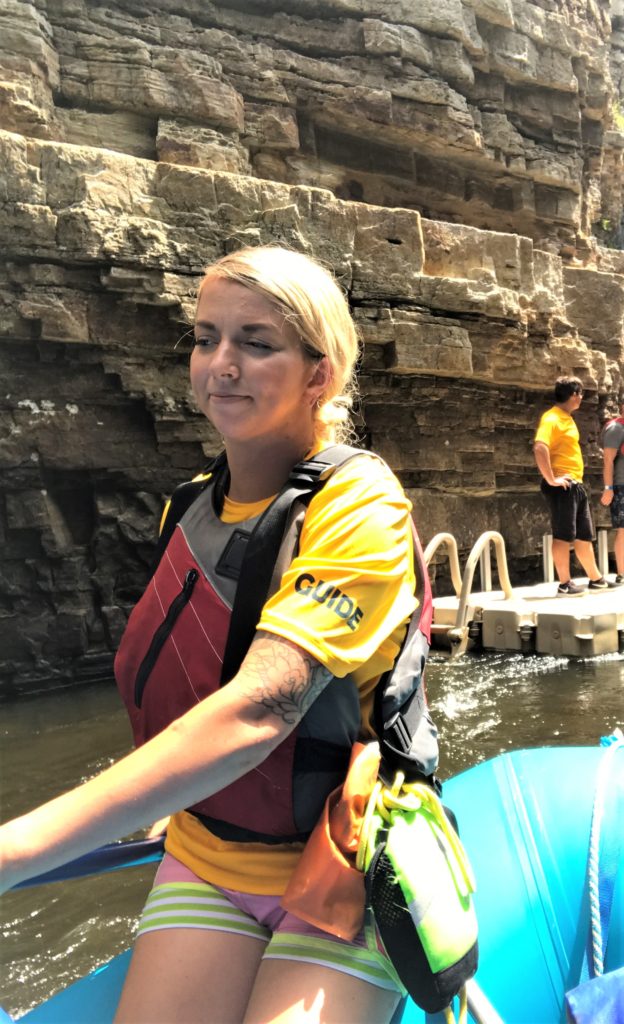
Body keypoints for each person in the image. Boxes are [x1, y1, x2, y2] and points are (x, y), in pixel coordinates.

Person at [0, 245, 430, 1024]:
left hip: (341, 863)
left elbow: (262, 707)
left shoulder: (362, 504)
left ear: (318, 374)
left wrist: (17, 849)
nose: (220, 363)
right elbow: (191, 676)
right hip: (206, 856)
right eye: (206, 338)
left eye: (255, 342)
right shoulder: (191, 503)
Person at [533, 376, 617, 595]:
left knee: (583, 535)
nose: (581, 397)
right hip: (562, 486)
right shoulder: (551, 418)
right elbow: (540, 447)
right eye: (579, 393)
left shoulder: (567, 418)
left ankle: (596, 579)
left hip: (575, 485)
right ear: (573, 395)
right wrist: (552, 479)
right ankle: (564, 583)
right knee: (563, 534)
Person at [600, 396, 624, 584]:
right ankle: (622, 574)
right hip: (621, 485)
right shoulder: (616, 428)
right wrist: (608, 488)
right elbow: (607, 460)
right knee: (623, 531)